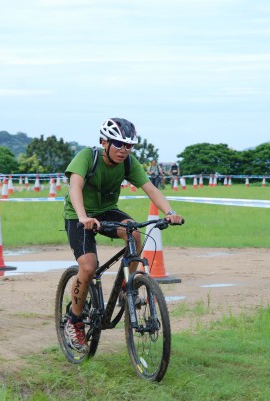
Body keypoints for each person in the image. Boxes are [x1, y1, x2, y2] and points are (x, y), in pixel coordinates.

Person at [62, 117, 184, 352]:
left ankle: (126, 288)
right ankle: (73, 321)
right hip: (79, 214)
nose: (124, 150)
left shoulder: (128, 163)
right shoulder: (87, 157)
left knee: (134, 233)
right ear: (104, 142)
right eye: (118, 144)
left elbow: (150, 188)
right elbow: (75, 187)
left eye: (129, 145)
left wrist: (170, 212)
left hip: (107, 211)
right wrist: (83, 217)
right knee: (88, 266)